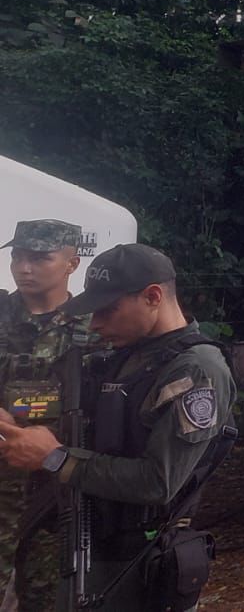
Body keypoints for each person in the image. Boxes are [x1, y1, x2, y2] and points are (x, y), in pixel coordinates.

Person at [0, 244, 235, 611]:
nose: (95, 325)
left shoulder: (195, 370)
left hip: (137, 561)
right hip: (91, 543)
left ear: (153, 296)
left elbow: (157, 481)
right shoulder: (127, 354)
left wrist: (54, 459)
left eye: (107, 311)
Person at [0, 220, 88, 612]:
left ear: (72, 263)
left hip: (57, 489)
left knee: (47, 596)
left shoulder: (95, 325)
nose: (23, 267)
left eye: (39, 258)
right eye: (17, 256)